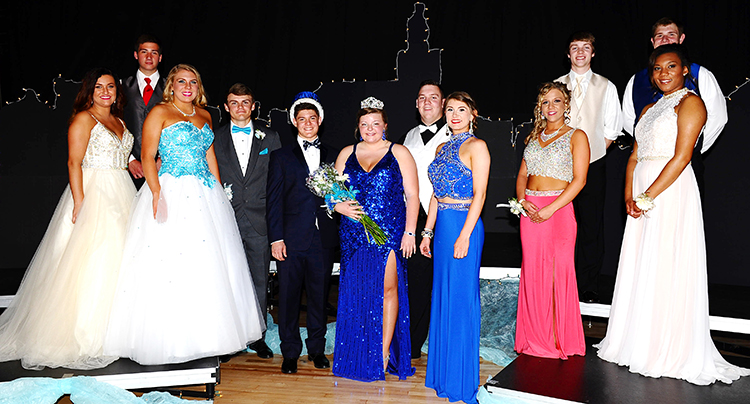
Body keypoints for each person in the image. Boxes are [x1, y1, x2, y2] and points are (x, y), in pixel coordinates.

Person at [596, 44, 750, 385]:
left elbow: (682, 157)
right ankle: (636, 341)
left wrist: (649, 195)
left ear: (685, 71)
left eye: (671, 66)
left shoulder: (691, 102)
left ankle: (666, 347)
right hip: (641, 190)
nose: (663, 73)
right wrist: (629, 196)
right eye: (657, 68)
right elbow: (634, 155)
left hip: (671, 190)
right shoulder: (649, 106)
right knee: (642, 263)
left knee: (667, 262)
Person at [104, 64, 265, 365]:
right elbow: (148, 156)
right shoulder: (160, 113)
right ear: (172, 86)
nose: (187, 86)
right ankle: (169, 339)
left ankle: (206, 337)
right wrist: (155, 192)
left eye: (193, 82)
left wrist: (220, 195)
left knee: (207, 265)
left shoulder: (205, 115)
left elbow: (210, 157)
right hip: (171, 190)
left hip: (205, 194)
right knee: (170, 263)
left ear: (198, 86)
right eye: (181, 81)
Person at [0, 68, 135, 370]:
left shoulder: (120, 121)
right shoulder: (84, 119)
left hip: (122, 191)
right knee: (96, 260)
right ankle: (89, 335)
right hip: (94, 192)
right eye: (99, 87)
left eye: (110, 87)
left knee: (121, 260)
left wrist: (133, 160)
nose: (105, 92)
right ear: (89, 91)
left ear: (117, 92)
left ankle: (119, 330)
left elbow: (120, 154)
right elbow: (74, 161)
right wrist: (80, 201)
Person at [332, 96, 419, 381]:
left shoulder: (399, 152)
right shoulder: (346, 152)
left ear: (385, 125)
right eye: (364, 124)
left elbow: (413, 196)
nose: (370, 128)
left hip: (390, 233)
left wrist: (409, 232)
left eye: (375, 123)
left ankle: (381, 354)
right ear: (358, 127)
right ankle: (357, 352)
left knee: (388, 289)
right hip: (354, 233)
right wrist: (338, 205)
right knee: (357, 292)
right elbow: (331, 192)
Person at [419, 92, 490, 404]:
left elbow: (481, 194)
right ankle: (441, 373)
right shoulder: (441, 147)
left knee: (461, 302)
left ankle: (461, 382)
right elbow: (436, 195)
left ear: (473, 113)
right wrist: (427, 232)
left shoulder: (477, 146)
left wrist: (465, 234)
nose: (454, 115)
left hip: (465, 226)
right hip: (444, 226)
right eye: (449, 110)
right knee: (443, 298)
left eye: (461, 109)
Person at [514, 82, 590, 360]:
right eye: (545, 102)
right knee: (533, 273)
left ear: (566, 105)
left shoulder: (576, 136)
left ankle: (559, 341)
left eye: (556, 101)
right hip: (530, 209)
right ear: (539, 107)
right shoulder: (533, 137)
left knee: (558, 274)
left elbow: (580, 179)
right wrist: (523, 201)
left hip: (558, 209)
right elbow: (522, 175)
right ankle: (533, 338)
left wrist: (551, 209)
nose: (551, 107)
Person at [266, 92, 338, 374]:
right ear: (294, 122)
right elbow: (273, 200)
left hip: (323, 237)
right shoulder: (281, 157)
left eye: (312, 118)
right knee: (289, 298)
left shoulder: (334, 154)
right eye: (301, 119)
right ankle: (290, 353)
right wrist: (276, 238)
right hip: (291, 238)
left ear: (319, 121)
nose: (307, 123)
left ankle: (317, 350)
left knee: (320, 296)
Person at [621, 17, 727, 197]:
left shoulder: (700, 74)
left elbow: (718, 118)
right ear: (653, 42)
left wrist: (693, 148)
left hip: (686, 163)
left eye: (671, 34)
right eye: (659, 36)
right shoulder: (636, 80)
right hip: (644, 164)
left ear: (681, 39)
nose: (665, 40)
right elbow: (629, 121)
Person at [214, 83, 281, 359]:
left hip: (260, 220)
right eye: (234, 102)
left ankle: (257, 336)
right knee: (227, 279)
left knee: (257, 280)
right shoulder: (213, 138)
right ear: (226, 106)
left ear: (253, 106)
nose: (240, 107)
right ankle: (230, 339)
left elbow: (277, 182)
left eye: (245, 102)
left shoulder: (272, 137)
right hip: (224, 219)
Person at [555, 32, 622, 303]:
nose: (580, 52)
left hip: (593, 164)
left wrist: (588, 156)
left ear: (593, 53)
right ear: (568, 54)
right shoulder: (555, 85)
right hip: (558, 166)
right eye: (575, 48)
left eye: (586, 48)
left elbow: (612, 129)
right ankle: (560, 282)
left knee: (591, 225)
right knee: (560, 223)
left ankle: (588, 285)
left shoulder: (606, 86)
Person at [398, 80, 450, 358]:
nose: (427, 102)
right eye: (422, 97)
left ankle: (435, 340)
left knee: (436, 282)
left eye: (433, 97)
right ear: (416, 104)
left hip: (444, 216)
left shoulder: (455, 133)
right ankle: (412, 343)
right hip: (413, 216)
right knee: (414, 281)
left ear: (443, 103)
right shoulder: (409, 135)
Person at [122, 34, 166, 186]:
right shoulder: (121, 87)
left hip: (164, 168)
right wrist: (130, 160)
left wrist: (163, 159)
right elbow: (113, 124)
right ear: (136, 55)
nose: (149, 57)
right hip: (129, 169)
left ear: (160, 57)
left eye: (154, 52)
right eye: (144, 52)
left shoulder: (172, 89)